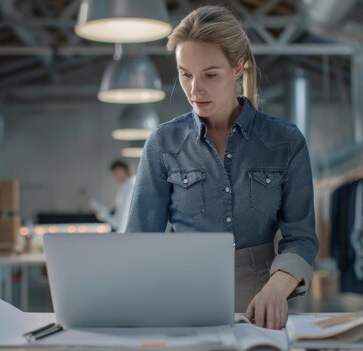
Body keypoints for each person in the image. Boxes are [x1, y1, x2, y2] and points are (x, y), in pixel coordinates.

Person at [125, 6, 318, 330]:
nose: (194, 89)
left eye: (210, 74)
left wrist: (277, 289)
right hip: (181, 302)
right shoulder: (163, 143)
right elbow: (140, 241)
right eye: (185, 74)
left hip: (264, 304)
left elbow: (301, 236)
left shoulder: (285, 141)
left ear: (238, 67)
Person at [91, 160, 136, 232]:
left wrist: (104, 214)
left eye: (115, 173)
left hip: (127, 234)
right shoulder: (127, 186)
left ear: (121, 170)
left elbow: (122, 220)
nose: (114, 177)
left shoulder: (131, 185)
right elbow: (119, 220)